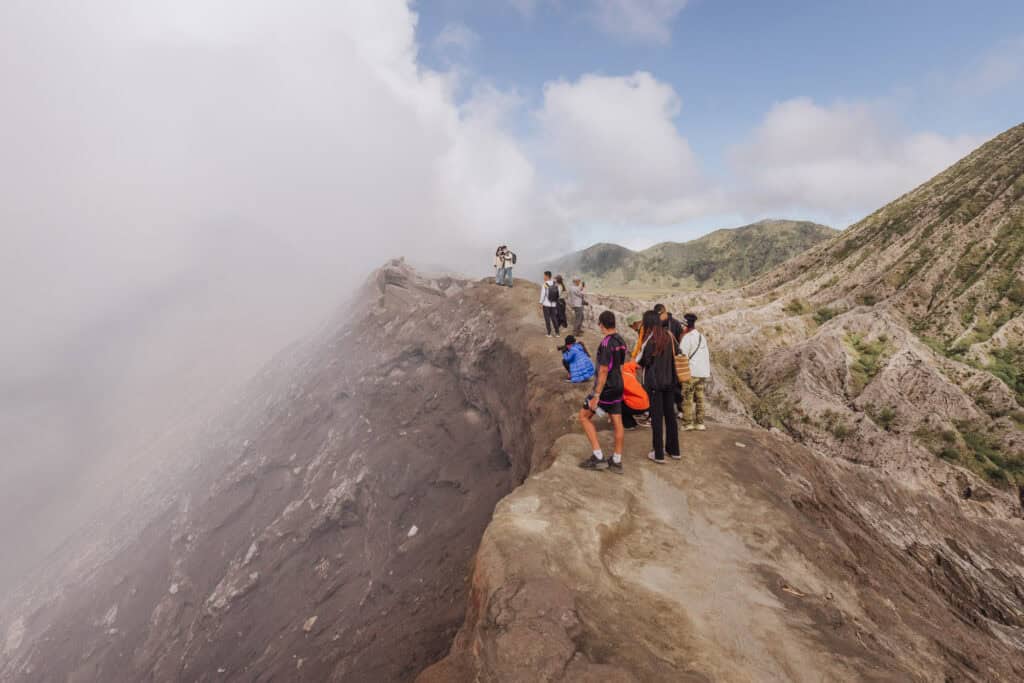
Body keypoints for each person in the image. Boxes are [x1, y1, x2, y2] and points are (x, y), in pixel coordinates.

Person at [579, 311, 628, 474]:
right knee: (617, 422)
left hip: (606, 388)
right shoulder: (621, 341)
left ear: (601, 324)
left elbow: (604, 370)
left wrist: (597, 395)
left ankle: (598, 456)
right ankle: (616, 460)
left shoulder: (606, 343)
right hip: (618, 385)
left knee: (584, 416)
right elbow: (620, 365)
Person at [639, 310, 681, 463]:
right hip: (670, 383)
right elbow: (679, 353)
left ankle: (658, 454)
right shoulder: (669, 336)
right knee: (670, 416)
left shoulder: (650, 341)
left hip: (655, 385)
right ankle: (674, 450)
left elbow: (644, 362)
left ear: (648, 324)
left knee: (657, 419)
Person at [680, 312, 711, 431]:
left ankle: (688, 423)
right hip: (702, 373)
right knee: (700, 398)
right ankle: (700, 423)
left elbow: (683, 356)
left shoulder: (687, 338)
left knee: (687, 398)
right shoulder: (701, 336)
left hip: (691, 373)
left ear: (686, 325)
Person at [620, 360, 650, 429]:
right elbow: (633, 364)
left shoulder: (622, 377)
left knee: (617, 403)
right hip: (646, 404)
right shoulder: (631, 376)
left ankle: (629, 424)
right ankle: (633, 421)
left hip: (636, 406)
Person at [540, 271, 561, 337]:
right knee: (554, 318)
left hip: (546, 304)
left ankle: (549, 333)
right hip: (553, 304)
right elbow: (558, 293)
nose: (543, 277)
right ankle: (557, 333)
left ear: (547, 276)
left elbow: (543, 294)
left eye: (544, 275)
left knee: (547, 319)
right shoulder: (555, 283)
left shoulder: (545, 284)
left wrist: (540, 302)